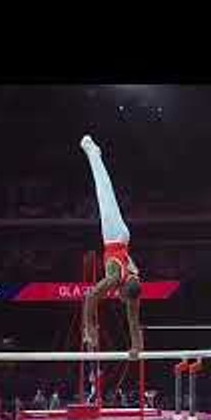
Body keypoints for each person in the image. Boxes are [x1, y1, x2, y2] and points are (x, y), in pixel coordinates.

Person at [79, 135, 143, 359]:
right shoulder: (115, 278)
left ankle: (94, 153)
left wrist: (137, 348)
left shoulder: (134, 290)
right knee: (104, 191)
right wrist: (89, 330)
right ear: (123, 290)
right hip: (113, 236)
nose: (120, 300)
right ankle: (92, 150)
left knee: (106, 192)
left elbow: (134, 321)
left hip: (123, 239)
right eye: (122, 298)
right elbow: (90, 297)